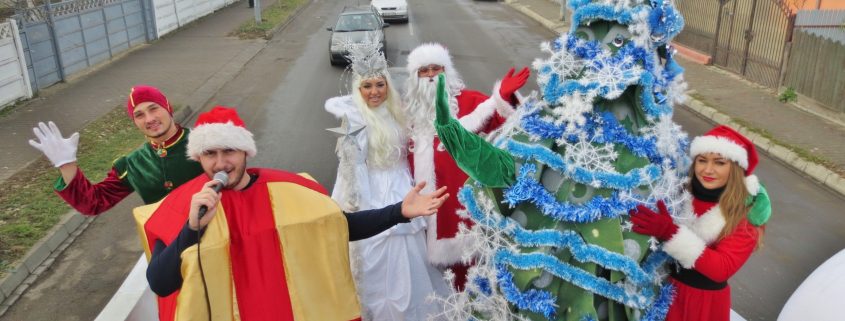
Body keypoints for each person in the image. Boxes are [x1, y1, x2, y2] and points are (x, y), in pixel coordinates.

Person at [135, 106, 449, 321]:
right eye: (209, 154)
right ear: (198, 157)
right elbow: (161, 282)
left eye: (228, 151)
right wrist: (192, 229)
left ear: (246, 151)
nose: (220, 164)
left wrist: (399, 211)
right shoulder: (184, 206)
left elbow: (341, 227)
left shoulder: (286, 190)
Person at [325, 38, 448, 320]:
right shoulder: (355, 121)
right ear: (358, 89)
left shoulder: (397, 111)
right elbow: (353, 173)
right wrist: (361, 210)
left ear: (388, 86)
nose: (375, 91)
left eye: (380, 84)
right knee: (380, 263)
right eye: (367, 86)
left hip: (403, 185)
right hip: (375, 195)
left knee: (412, 260)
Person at [403, 42, 529, 288]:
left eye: (435, 69)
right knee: (435, 288)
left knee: (476, 281)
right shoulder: (408, 115)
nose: (430, 76)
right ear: (414, 77)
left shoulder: (470, 102)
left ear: (446, 71)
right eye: (423, 70)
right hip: (423, 216)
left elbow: (508, 125)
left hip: (466, 212)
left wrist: (504, 98)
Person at [630, 125, 772, 321]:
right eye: (702, 160)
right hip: (662, 290)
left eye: (719, 163)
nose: (708, 170)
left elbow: (721, 268)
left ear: (736, 168)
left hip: (702, 304)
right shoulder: (680, 193)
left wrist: (670, 232)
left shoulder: (746, 212)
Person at [27, 85, 203, 214]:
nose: (149, 119)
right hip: (171, 246)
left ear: (167, 108)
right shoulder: (132, 164)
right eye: (139, 115)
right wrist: (66, 165)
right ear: (135, 122)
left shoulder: (206, 143)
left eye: (153, 109)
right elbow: (94, 202)